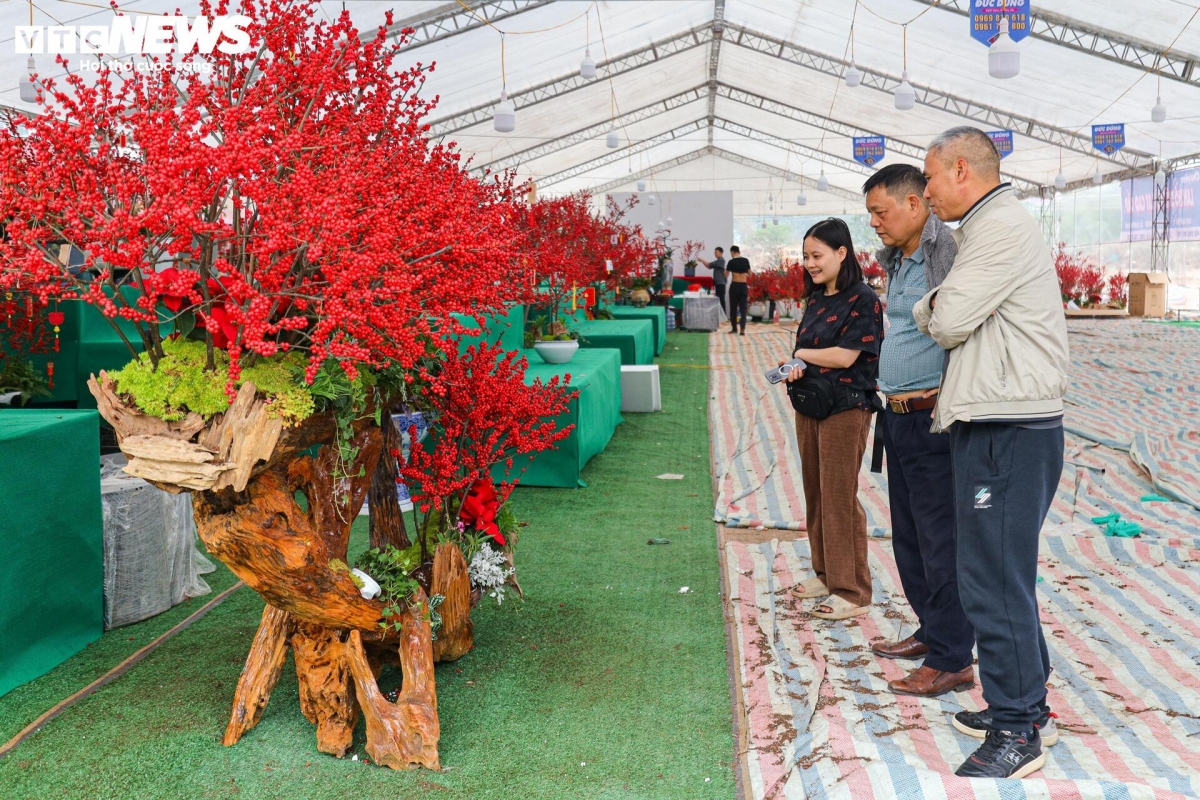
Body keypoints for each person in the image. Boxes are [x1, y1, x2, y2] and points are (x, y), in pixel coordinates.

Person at [914, 126, 1069, 779]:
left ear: (960, 170)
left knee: (989, 576)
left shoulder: (999, 228)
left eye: (928, 180)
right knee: (1002, 570)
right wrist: (941, 304)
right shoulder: (986, 229)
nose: (925, 193)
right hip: (1001, 418)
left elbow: (946, 320)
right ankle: (1027, 707)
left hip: (1008, 425)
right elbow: (952, 312)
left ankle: (1016, 731)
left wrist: (931, 305)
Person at [862, 164, 975, 698]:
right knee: (908, 537)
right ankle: (932, 633)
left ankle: (953, 658)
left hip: (934, 417)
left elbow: (962, 325)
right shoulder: (898, 260)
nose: (875, 224)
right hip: (898, 414)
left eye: (881, 213)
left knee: (940, 540)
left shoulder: (944, 253)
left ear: (914, 205)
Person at [784, 219, 883, 620]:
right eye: (806, 256)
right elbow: (803, 350)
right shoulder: (817, 300)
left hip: (846, 408)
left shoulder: (863, 300)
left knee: (839, 495)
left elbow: (845, 356)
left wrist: (804, 355)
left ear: (842, 253)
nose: (810, 263)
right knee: (816, 491)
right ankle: (825, 573)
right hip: (811, 404)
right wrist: (794, 364)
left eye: (817, 255)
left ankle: (852, 589)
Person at [725, 245, 751, 335]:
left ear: (732, 252)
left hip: (735, 285)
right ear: (739, 252)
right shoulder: (745, 260)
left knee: (733, 308)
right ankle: (742, 329)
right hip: (743, 285)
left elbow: (726, 275)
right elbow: (750, 274)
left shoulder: (731, 262)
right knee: (743, 308)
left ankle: (734, 328)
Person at [696, 246, 727, 313]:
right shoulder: (718, 261)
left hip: (720, 283)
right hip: (718, 283)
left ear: (721, 253)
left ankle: (723, 316)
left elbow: (709, 265)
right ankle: (721, 316)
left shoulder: (721, 260)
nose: (715, 254)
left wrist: (701, 260)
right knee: (718, 299)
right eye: (714, 252)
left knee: (721, 300)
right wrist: (702, 262)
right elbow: (708, 266)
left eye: (716, 252)